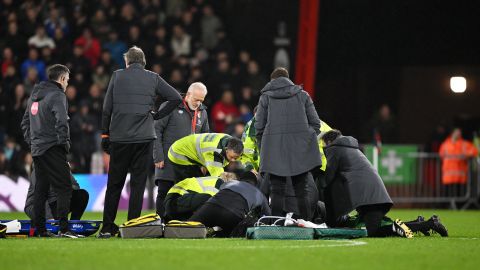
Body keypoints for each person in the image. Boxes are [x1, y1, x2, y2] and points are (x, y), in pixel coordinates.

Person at [99, 46, 182, 238]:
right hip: (144, 138)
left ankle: (107, 228)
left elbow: (106, 108)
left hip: (120, 138)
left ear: (127, 62)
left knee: (114, 184)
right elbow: (176, 97)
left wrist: (105, 135)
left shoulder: (117, 76)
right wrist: (157, 115)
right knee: (138, 184)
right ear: (143, 62)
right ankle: (131, 228)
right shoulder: (153, 77)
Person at [322, 130, 448, 238]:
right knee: (378, 228)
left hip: (370, 198)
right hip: (373, 196)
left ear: (329, 141)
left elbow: (327, 178)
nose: (324, 148)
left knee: (373, 231)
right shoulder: (350, 148)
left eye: (324, 145)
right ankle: (418, 223)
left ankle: (428, 224)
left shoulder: (335, 148)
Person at [20, 64, 79, 238]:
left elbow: (25, 123)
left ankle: (40, 230)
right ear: (61, 79)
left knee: (41, 189)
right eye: (67, 80)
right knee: (64, 187)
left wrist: (33, 143)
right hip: (53, 148)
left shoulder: (34, 96)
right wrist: (64, 145)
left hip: (38, 150)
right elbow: (62, 122)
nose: (67, 83)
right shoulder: (58, 95)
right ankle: (63, 228)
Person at [255, 67, 321, 221]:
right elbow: (316, 124)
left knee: (277, 191)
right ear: (288, 79)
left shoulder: (266, 97)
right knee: (302, 191)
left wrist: (266, 143)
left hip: (274, 150)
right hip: (300, 151)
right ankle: (307, 225)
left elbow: (258, 126)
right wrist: (304, 139)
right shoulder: (303, 95)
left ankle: (276, 225)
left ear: (272, 81)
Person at [154, 82, 210, 217]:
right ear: (188, 94)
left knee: (186, 194)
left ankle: (180, 224)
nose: (199, 103)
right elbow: (156, 130)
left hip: (190, 164)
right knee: (164, 192)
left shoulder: (202, 112)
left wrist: (204, 162)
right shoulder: (170, 106)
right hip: (168, 160)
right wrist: (158, 156)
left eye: (202, 100)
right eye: (196, 99)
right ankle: (161, 222)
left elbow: (205, 139)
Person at [189, 171, 271, 237]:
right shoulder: (260, 194)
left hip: (210, 207)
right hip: (232, 214)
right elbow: (267, 215)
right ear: (255, 183)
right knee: (232, 234)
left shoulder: (230, 183)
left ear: (240, 179)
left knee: (187, 228)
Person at [167, 133, 244, 181]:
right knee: (193, 183)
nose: (233, 160)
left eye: (236, 158)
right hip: (179, 153)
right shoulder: (214, 154)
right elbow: (219, 178)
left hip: (187, 145)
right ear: (226, 150)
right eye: (232, 157)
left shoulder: (229, 140)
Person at [164, 172, 236, 221]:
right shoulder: (219, 183)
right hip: (176, 201)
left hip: (173, 203)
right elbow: (212, 204)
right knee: (211, 202)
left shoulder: (211, 180)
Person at [24, 166, 89, 221]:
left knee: (82, 195)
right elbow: (40, 196)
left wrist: (64, 186)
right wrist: (50, 218)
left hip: (55, 202)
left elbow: (76, 186)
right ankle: (51, 221)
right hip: (35, 206)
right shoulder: (40, 169)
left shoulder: (63, 166)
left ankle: (74, 225)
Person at [439, 128, 478, 196]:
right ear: (452, 133)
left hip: (460, 174)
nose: (458, 134)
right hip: (448, 174)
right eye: (456, 132)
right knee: (448, 192)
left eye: (459, 133)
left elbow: (474, 151)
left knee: (460, 192)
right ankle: (448, 204)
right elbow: (441, 154)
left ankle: (458, 205)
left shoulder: (464, 144)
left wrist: (466, 155)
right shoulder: (445, 144)